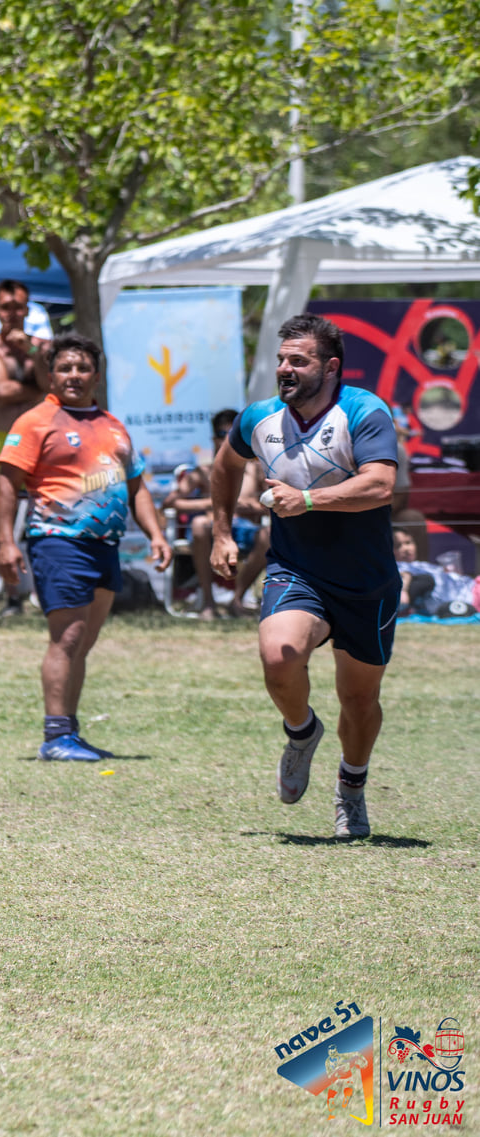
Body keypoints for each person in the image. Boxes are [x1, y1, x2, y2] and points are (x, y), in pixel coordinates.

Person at [209, 313, 404, 840]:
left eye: (298, 360)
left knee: (359, 700)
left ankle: (352, 788)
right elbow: (224, 467)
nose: (284, 369)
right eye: (281, 360)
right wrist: (222, 534)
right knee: (279, 655)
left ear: (331, 366)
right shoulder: (259, 418)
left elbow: (381, 484)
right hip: (297, 570)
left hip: (367, 580)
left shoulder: (364, 412)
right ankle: (301, 732)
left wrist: (309, 498)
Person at [0, 333, 172, 762]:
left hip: (105, 545)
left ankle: (69, 732)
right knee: (68, 637)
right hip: (58, 542)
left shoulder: (112, 425)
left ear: (97, 373)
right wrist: (4, 542)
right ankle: (55, 736)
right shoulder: (35, 421)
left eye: (82, 367)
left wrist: (157, 534)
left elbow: (137, 487)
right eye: (64, 368)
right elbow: (5, 486)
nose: (74, 375)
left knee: (84, 641)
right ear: (51, 374)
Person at [0, 280, 52, 615]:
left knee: (49, 513)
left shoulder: (44, 348)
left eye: (19, 306)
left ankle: (47, 590)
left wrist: (33, 354)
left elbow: (55, 388)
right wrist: (37, 388)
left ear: (28, 308)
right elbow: (1, 391)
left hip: (41, 439)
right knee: (0, 520)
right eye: (6, 307)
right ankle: (12, 595)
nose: (13, 313)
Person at [176, 410, 269, 618]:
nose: (227, 438)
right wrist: (214, 503)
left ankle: (236, 599)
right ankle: (208, 602)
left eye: (232, 433)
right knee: (199, 524)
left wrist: (254, 505)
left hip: (243, 529)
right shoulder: (202, 471)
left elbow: (273, 499)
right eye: (221, 433)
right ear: (214, 438)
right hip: (211, 527)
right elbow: (171, 502)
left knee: (269, 534)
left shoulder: (255, 469)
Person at [394, 530, 474, 618]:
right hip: (462, 600)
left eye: (408, 543)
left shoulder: (422, 565)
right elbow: (404, 580)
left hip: (468, 588)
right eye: (398, 546)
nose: (406, 548)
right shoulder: (397, 568)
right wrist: (404, 588)